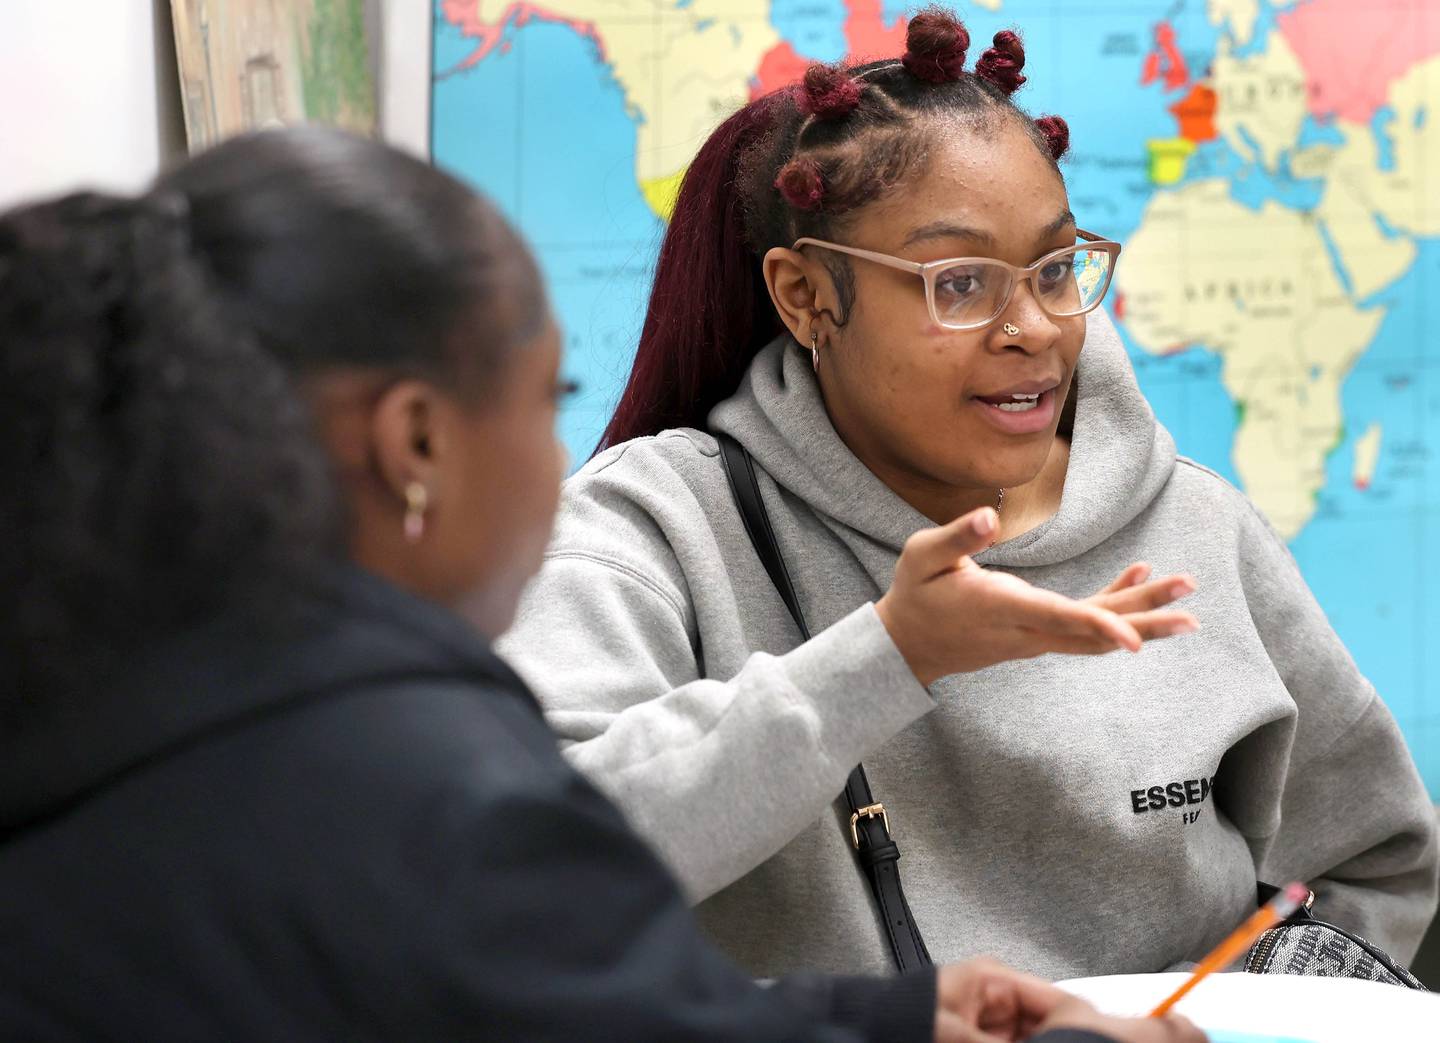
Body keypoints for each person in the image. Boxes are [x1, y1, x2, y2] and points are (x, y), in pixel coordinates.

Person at [0, 128, 1201, 1042]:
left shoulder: (96, 694)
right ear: (416, 442)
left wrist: (891, 1017)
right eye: (543, 403)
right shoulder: (436, 803)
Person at [497, 7, 1440, 981]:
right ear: (807, 296)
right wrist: (890, 655)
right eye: (960, 282)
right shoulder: (653, 533)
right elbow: (522, 875)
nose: (1032, 327)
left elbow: (1369, 866)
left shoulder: (1197, 523)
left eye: (1055, 267)